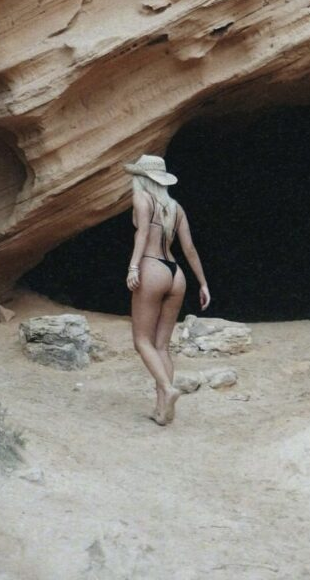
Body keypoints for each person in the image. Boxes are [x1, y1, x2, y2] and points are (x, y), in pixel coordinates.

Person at [124, 154, 210, 425]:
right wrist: (203, 283)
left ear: (142, 178)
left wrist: (133, 267)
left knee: (142, 341)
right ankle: (162, 411)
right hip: (175, 273)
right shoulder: (176, 208)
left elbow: (142, 234)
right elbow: (189, 249)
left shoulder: (142, 198)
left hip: (151, 267)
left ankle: (167, 388)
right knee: (162, 346)